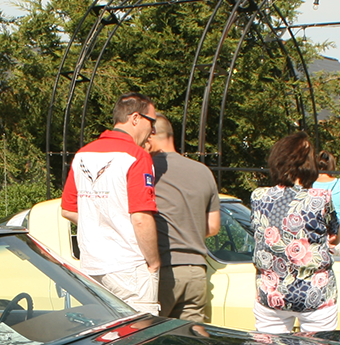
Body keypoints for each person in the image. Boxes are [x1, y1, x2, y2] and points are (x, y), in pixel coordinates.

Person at [60, 93, 161, 314]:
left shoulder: (82, 155)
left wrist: (100, 220)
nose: (153, 130)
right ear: (135, 118)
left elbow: (68, 209)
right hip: (129, 266)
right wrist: (153, 262)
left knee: (104, 336)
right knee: (139, 337)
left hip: (92, 266)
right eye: (151, 122)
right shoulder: (137, 156)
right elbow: (141, 218)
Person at [251, 132, 340, 333]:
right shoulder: (321, 198)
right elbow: (335, 232)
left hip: (271, 293)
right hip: (315, 293)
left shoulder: (258, 196)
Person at [146, 113, 221, 321]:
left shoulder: (147, 171)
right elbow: (213, 227)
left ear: (150, 137)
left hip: (163, 271)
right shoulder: (204, 171)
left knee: (151, 344)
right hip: (197, 271)